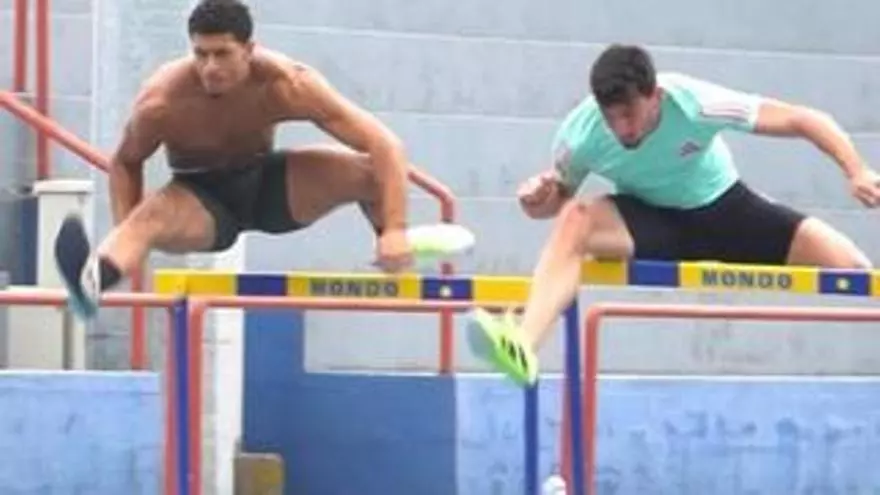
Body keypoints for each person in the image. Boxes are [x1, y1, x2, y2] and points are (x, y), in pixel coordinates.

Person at [467, 43, 880, 386]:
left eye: (630, 114)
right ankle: (523, 344)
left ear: (656, 97)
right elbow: (557, 199)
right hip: (652, 222)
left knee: (854, 268)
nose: (622, 129)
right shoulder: (581, 134)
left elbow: (803, 119)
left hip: (727, 212)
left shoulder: (696, 102)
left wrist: (856, 169)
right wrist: (538, 200)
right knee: (575, 218)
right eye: (611, 118)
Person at [54, 0, 471, 319]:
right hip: (199, 198)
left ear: (249, 50)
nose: (210, 67)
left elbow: (386, 145)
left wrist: (395, 229)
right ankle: (93, 281)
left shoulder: (288, 83)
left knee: (366, 171)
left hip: (268, 185)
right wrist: (130, 237)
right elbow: (125, 162)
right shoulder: (162, 102)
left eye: (222, 54)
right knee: (148, 218)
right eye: (200, 54)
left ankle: (396, 252)